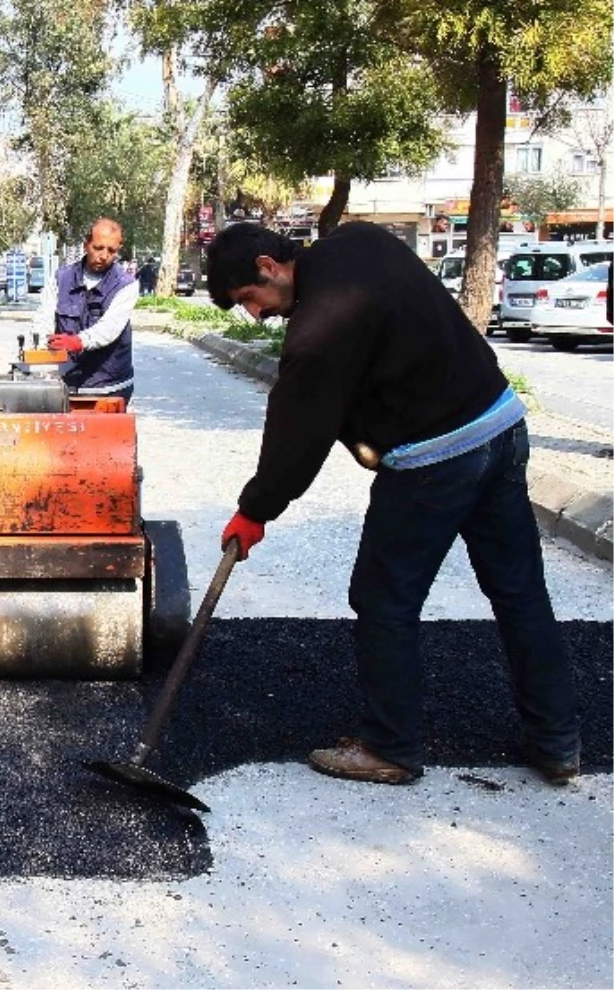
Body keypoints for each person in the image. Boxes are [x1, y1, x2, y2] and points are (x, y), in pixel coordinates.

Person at [206, 221, 579, 786]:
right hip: (501, 426)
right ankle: (557, 743)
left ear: (267, 266)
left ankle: (390, 747)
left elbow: (296, 437)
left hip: (437, 458)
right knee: (519, 590)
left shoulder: (316, 331)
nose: (255, 315)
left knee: (384, 598)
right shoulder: (363, 241)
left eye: (248, 299)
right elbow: (388, 344)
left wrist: (256, 509)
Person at [36, 218, 138, 405]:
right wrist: (39, 355)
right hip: (65, 386)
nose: (104, 255)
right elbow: (44, 319)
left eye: (111, 250)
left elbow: (110, 328)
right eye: (98, 248)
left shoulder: (126, 285)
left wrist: (78, 341)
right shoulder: (61, 278)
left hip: (110, 388)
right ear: (86, 245)